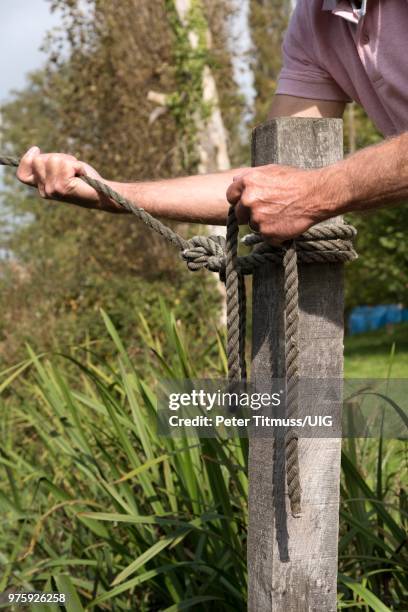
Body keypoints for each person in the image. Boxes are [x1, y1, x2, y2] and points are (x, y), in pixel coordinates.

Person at [16, 0, 408, 243]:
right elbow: (272, 183)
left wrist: (319, 192)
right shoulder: (316, 21)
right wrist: (107, 191)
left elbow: (303, 190)